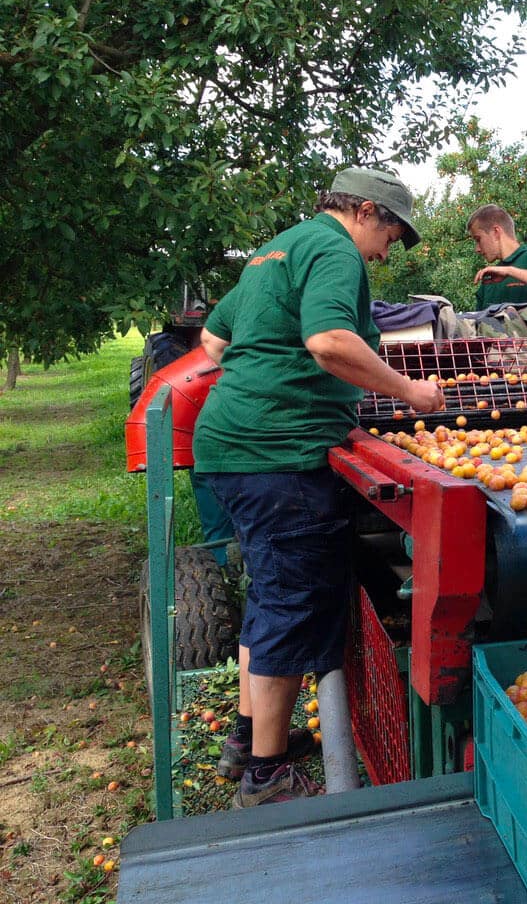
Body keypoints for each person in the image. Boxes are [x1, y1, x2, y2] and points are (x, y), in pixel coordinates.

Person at [193, 167, 445, 808]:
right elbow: (330, 340)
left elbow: (214, 340)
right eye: (391, 233)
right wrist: (410, 391)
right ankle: (267, 778)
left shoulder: (277, 248)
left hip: (231, 445)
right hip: (277, 456)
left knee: (269, 592)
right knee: (291, 602)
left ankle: (248, 740)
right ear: (365, 210)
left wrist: (268, 380)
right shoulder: (335, 250)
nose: (387, 252)